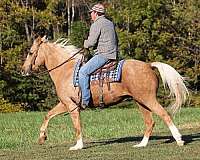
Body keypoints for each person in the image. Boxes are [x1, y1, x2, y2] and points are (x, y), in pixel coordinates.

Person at [79, 3, 119, 109]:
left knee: (83, 72)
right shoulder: (110, 23)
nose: (91, 15)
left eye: (91, 13)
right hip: (113, 54)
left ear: (96, 13)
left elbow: (91, 42)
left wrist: (85, 44)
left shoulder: (97, 24)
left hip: (103, 55)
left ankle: (85, 100)